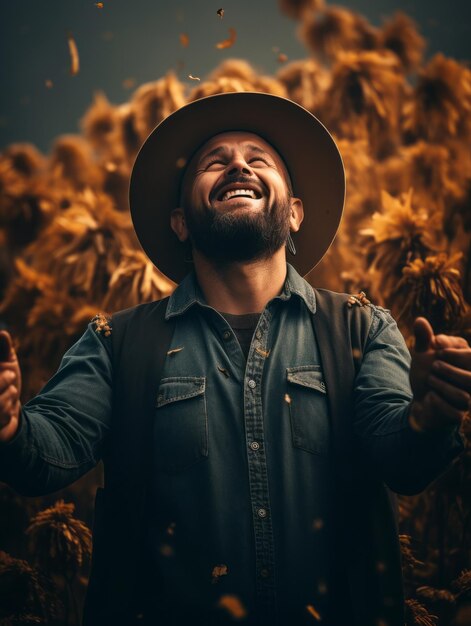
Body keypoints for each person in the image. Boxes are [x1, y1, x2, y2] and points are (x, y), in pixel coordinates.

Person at [0, 92, 469, 626]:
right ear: (180, 221)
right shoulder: (116, 342)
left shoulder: (362, 328)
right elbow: (49, 448)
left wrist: (429, 417)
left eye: (257, 158)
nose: (238, 165)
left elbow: (400, 457)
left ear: (294, 213)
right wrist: (11, 426)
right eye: (214, 162)